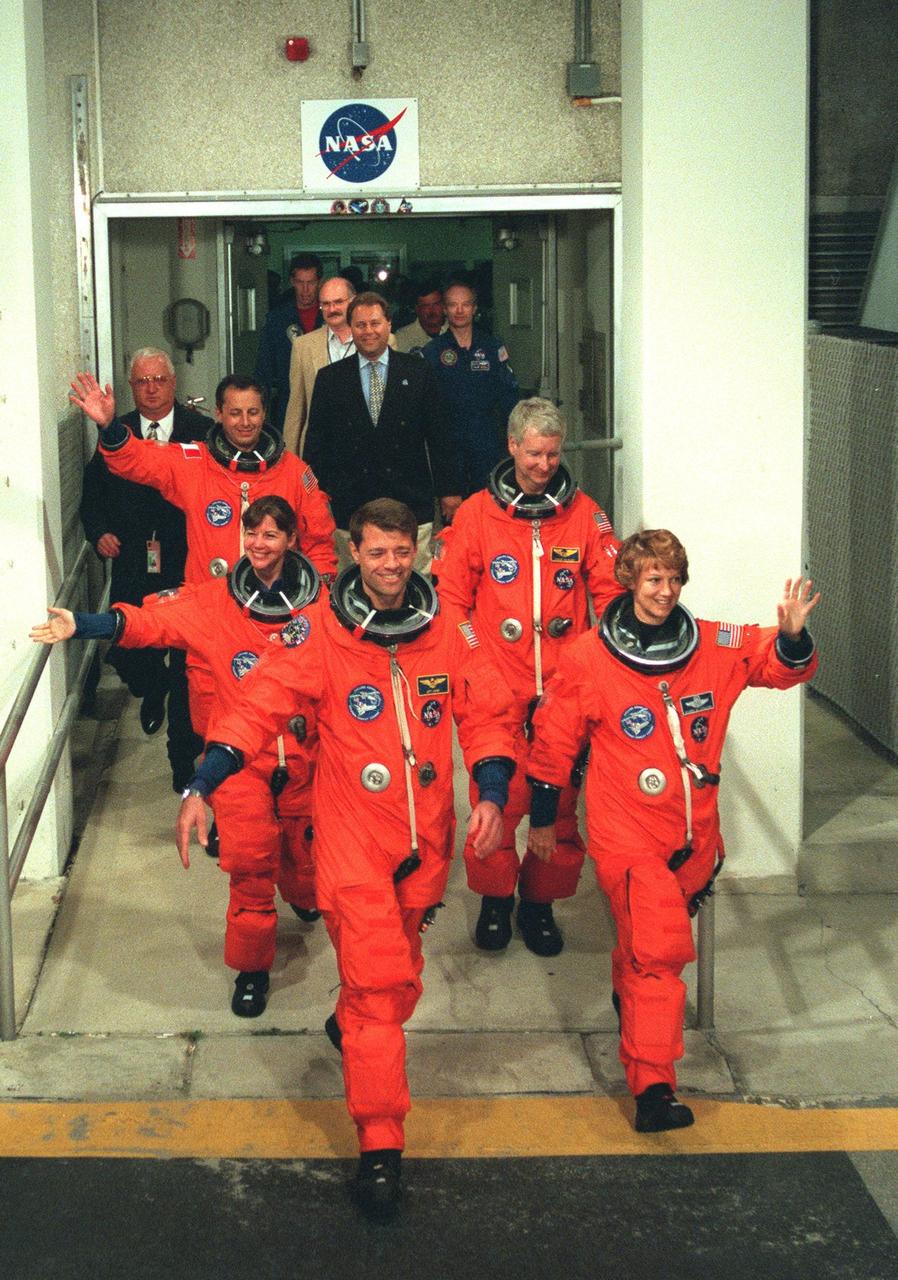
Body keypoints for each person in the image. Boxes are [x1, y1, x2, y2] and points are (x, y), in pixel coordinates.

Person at [176, 499, 516, 1219]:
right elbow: (256, 704)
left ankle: (353, 1029)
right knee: (376, 987)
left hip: (425, 841)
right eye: (377, 554)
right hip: (353, 840)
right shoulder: (320, 632)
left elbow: (487, 707)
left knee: (398, 984)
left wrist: (490, 788)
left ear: (417, 553)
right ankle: (381, 1146)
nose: (391, 567)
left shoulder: (448, 629)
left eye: (402, 553)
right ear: (352, 553)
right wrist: (203, 783)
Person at [526, 530, 820, 1132]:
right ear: (631, 581)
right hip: (626, 832)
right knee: (659, 953)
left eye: (674, 579)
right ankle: (654, 1088)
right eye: (654, 579)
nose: (665, 591)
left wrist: (792, 636)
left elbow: (775, 665)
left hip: (693, 839)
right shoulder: (587, 656)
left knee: (644, 954)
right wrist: (543, 820)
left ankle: (631, 999)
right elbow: (553, 743)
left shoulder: (711, 643)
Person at [31, 497, 321, 1017]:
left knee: (304, 859)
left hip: (306, 758)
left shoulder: (322, 608)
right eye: (251, 535)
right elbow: (150, 623)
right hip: (240, 765)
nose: (259, 545)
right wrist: (86, 625)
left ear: (292, 541)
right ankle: (253, 969)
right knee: (251, 870)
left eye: (272, 536)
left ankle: (300, 888)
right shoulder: (214, 603)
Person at [434, 397, 620, 956]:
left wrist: (590, 656)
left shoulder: (585, 514)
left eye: (553, 454)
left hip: (563, 691)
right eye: (534, 453)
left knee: (559, 809)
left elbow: (610, 594)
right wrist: (476, 665)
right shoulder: (474, 516)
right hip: (496, 687)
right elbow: (450, 604)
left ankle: (539, 905)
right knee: (499, 805)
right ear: (512, 447)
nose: (544, 465)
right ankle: (495, 901)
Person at [79, 347, 207, 790]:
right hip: (135, 554)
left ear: (173, 384)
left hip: (187, 555)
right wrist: (99, 534)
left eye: (159, 380)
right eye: (141, 382)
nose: (151, 388)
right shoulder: (118, 432)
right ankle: (152, 688)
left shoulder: (201, 432)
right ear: (132, 388)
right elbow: (92, 493)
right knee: (131, 646)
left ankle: (180, 752)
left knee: (186, 658)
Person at [303, 292, 462, 572]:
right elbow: (317, 443)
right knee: (353, 584)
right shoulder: (330, 378)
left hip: (409, 499)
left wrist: (449, 491)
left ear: (389, 324)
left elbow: (440, 436)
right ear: (350, 328)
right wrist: (316, 497)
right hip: (351, 503)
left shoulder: (419, 372)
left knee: (413, 581)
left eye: (375, 323)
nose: (368, 331)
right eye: (361, 325)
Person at [422, 277, 520, 497]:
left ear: (474, 308)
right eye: (452, 304)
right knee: (454, 522)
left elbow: (509, 398)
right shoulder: (432, 352)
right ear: (445, 309)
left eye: (465, 304)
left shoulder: (492, 347)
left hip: (487, 446)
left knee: (489, 516)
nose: (459, 310)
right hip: (448, 450)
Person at [281, 276, 357, 456]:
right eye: (325, 304)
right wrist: (289, 461)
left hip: (364, 448)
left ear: (354, 302)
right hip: (318, 448)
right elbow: (296, 409)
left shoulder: (376, 340)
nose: (332, 309)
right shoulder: (303, 346)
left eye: (338, 302)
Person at [254, 252, 323, 433]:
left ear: (319, 282)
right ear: (292, 282)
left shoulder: (331, 317)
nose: (306, 289)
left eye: (311, 283)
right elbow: (264, 369)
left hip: (327, 402)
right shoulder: (277, 319)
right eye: (301, 282)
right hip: (289, 402)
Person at [393, 281, 446, 355]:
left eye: (436, 304)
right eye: (425, 306)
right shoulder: (403, 337)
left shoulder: (457, 330)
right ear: (417, 309)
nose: (432, 310)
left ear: (444, 305)